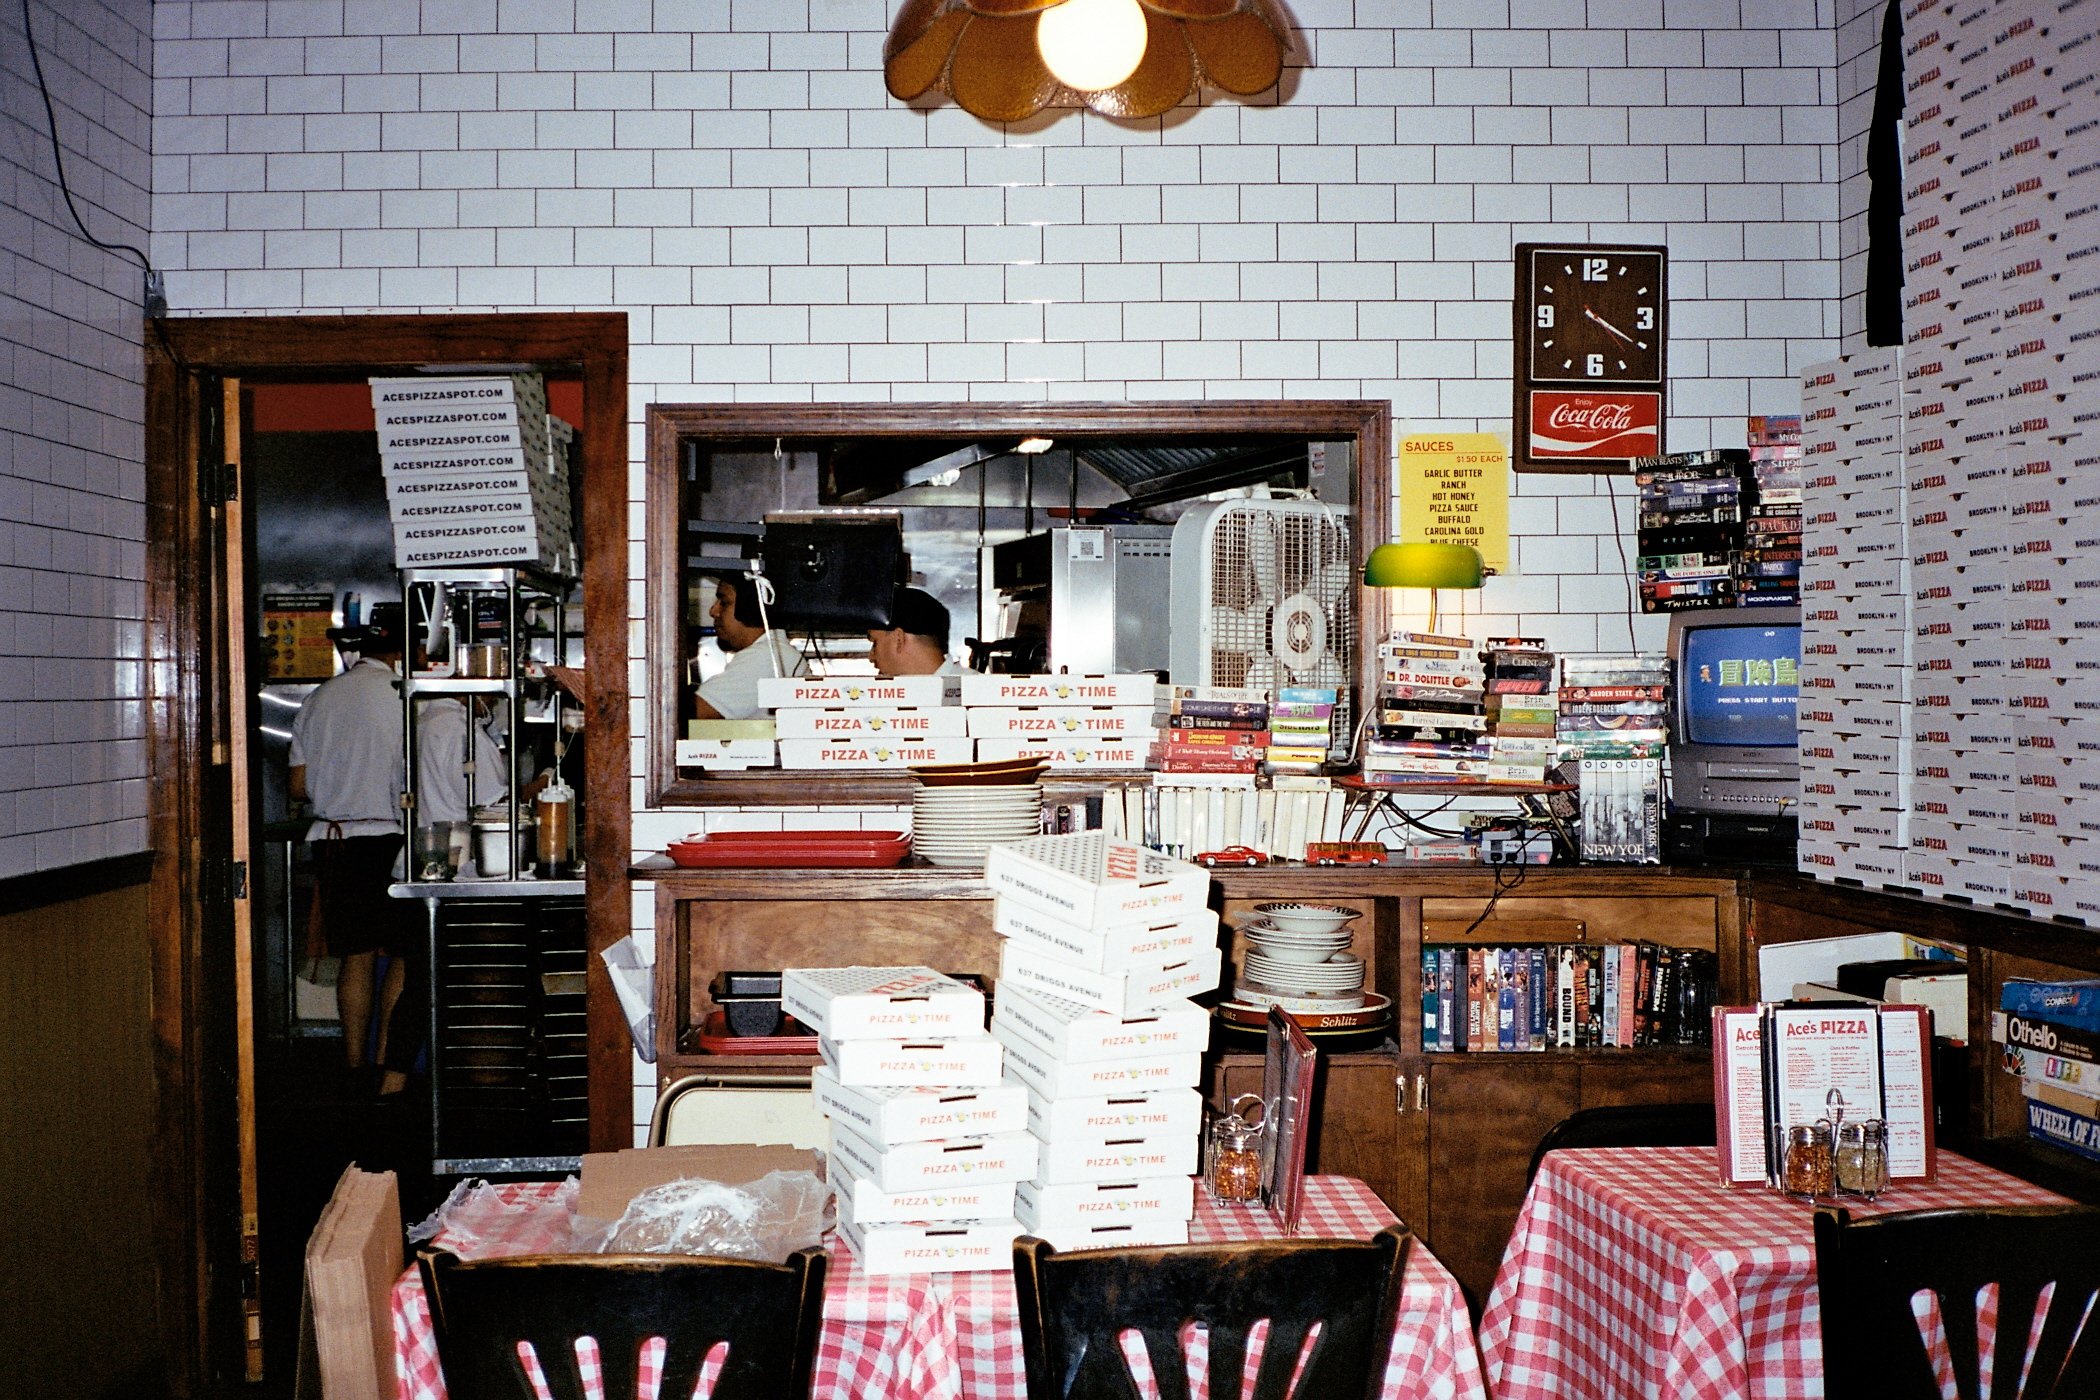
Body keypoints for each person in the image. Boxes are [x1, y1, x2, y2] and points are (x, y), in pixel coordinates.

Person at [289, 603, 416, 1094]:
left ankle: (352, 1065)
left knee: (356, 956)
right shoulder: (403, 697)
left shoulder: (321, 697)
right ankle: (390, 1065)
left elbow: (298, 786)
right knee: (403, 957)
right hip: (390, 838)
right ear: (406, 650)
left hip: (333, 839)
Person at [693, 572, 806, 719]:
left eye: (724, 602)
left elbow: (696, 710)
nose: (713, 611)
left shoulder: (766, 656)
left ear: (749, 607)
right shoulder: (772, 653)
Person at [867, 586, 963, 677]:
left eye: (875, 643)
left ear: (899, 640)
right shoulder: (970, 688)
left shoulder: (971, 689)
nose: (871, 657)